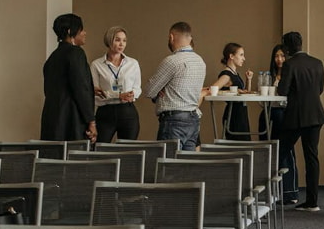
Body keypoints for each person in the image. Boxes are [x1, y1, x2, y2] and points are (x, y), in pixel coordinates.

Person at [275, 31, 324, 212]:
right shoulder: (317, 63)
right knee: (312, 157)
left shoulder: (289, 65)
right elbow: (320, 89)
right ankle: (313, 202)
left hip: (296, 116)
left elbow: (282, 91)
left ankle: (271, 195)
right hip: (316, 115)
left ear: (287, 47)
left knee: (278, 152)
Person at [143, 21, 207, 150]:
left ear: (171, 37)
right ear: (190, 38)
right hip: (193, 119)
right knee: (187, 165)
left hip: (173, 120)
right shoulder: (200, 61)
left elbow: (149, 91)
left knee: (167, 165)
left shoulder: (171, 61)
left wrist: (161, 88)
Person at [40, 13, 97, 142]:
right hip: (72, 119)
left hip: (51, 117)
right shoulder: (76, 53)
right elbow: (81, 88)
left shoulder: (52, 57)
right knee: (73, 159)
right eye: (81, 29)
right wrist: (91, 121)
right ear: (70, 31)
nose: (84, 33)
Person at [260, 44, 298, 204]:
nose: (279, 59)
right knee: (268, 152)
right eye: (276, 56)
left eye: (282, 56)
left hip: (284, 115)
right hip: (269, 114)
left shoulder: (290, 75)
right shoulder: (269, 75)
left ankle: (289, 192)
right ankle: (269, 193)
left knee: (284, 153)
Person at [89, 26, 141, 142]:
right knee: (100, 148)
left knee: (128, 151)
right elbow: (96, 93)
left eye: (124, 40)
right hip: (106, 111)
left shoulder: (133, 63)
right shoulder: (96, 65)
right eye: (117, 40)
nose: (121, 44)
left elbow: (137, 88)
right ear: (109, 40)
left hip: (127, 110)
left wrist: (133, 94)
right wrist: (117, 95)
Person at [209, 43, 253, 138]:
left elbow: (245, 92)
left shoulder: (234, 73)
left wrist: (248, 79)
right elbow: (213, 90)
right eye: (241, 55)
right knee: (238, 144)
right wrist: (235, 92)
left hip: (241, 112)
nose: (244, 58)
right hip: (233, 114)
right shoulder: (226, 75)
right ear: (231, 56)